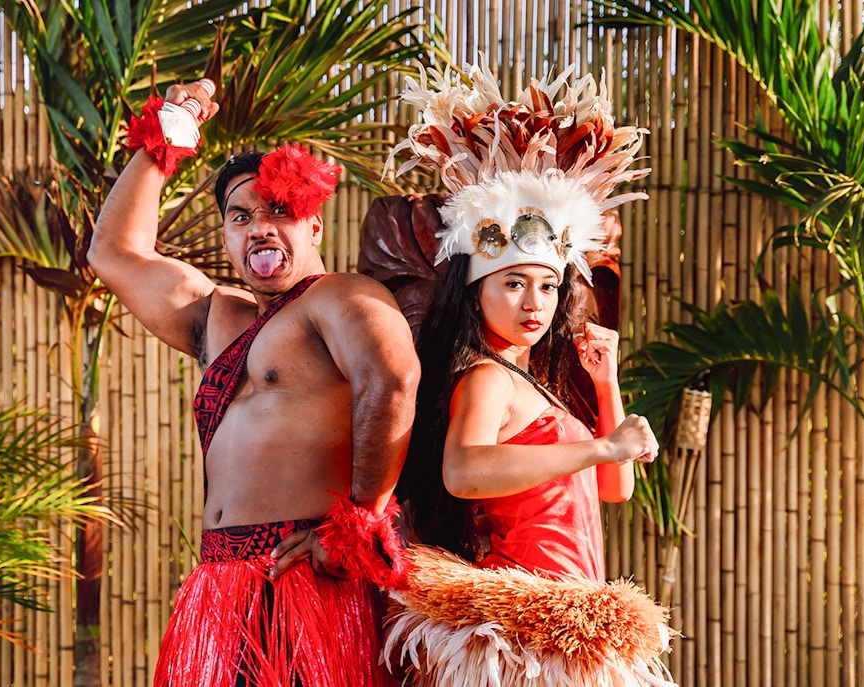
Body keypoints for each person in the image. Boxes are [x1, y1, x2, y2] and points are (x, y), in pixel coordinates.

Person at [89, 78, 419, 687]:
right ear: (226, 237)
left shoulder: (341, 298)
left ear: (313, 226)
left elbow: (393, 379)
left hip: (306, 579)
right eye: (242, 217)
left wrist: (360, 527)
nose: (261, 228)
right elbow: (112, 253)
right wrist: (173, 127)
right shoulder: (220, 317)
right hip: (218, 583)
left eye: (280, 212)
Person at [377, 61, 675, 686]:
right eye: (512, 284)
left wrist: (605, 385)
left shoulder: (538, 384)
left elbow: (613, 489)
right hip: (527, 623)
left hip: (573, 611)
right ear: (476, 291)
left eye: (546, 285)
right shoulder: (485, 378)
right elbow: (462, 472)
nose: (533, 303)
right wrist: (599, 444)